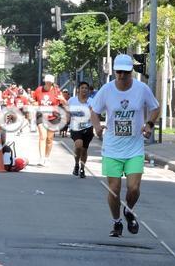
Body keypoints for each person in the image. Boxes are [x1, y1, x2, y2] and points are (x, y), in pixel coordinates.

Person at [90, 54, 159, 237]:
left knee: (134, 188)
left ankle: (128, 211)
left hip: (134, 147)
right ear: (114, 71)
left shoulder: (141, 89)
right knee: (114, 190)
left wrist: (149, 124)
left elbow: (155, 108)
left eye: (125, 73)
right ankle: (117, 222)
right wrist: (97, 126)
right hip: (112, 147)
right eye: (118, 72)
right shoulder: (106, 90)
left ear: (131, 72)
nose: (121, 76)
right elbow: (94, 111)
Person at [32, 74, 67, 166]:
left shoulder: (56, 91)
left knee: (49, 139)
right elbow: (34, 100)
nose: (48, 83)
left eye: (50, 82)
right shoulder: (39, 90)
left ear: (52, 82)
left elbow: (64, 103)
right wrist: (35, 104)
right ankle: (41, 158)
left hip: (53, 117)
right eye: (47, 81)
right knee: (42, 136)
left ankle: (47, 157)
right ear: (44, 81)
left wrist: (62, 99)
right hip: (41, 116)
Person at [66, 81, 94, 178]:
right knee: (78, 146)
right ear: (78, 89)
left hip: (87, 127)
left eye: (86, 88)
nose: (84, 90)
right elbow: (67, 111)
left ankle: (82, 167)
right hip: (75, 127)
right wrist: (67, 118)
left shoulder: (91, 101)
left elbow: (94, 114)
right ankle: (76, 164)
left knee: (84, 150)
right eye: (82, 88)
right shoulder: (72, 100)